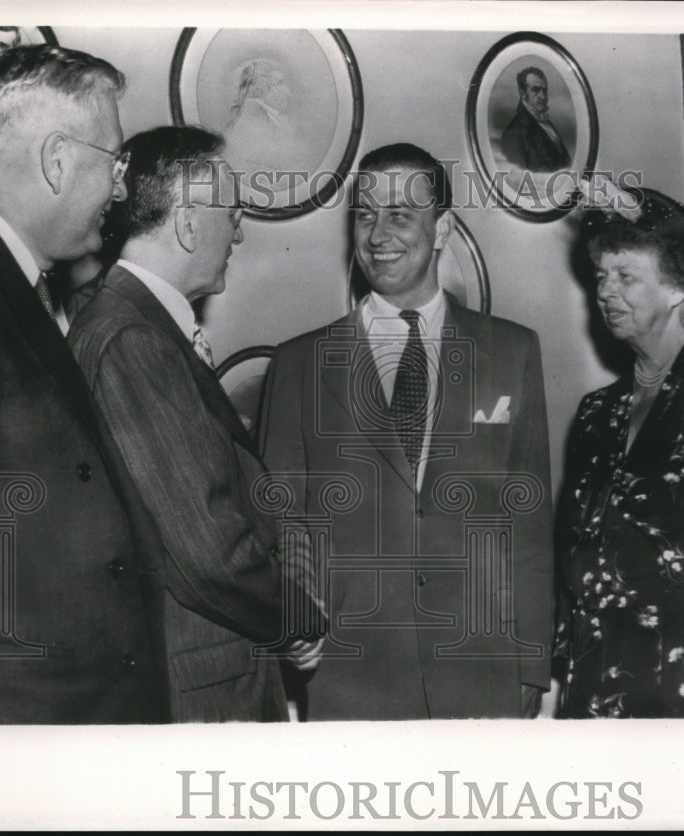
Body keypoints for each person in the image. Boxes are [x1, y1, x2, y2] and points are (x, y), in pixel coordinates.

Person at [260, 142, 554, 720]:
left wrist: (531, 661)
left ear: (442, 228)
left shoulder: (512, 350)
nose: (378, 234)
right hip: (350, 674)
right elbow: (279, 519)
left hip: (482, 668)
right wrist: (295, 614)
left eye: (400, 215)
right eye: (365, 215)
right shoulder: (299, 364)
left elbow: (529, 523)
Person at [0, 45, 170, 723]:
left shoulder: (1, 278)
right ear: (58, 160)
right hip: (12, 732)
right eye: (115, 163)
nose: (121, 190)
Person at [68, 126, 325, 722]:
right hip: (202, 688)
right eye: (232, 212)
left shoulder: (123, 321)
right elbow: (207, 543)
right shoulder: (135, 339)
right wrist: (295, 622)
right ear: (187, 223)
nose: (238, 230)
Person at [555, 186, 684, 719]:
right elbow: (572, 546)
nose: (605, 292)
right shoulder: (597, 411)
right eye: (601, 277)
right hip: (599, 674)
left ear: (676, 289)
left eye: (625, 277)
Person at [499, 67, 572, 172]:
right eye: (536, 90)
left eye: (544, 90)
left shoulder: (545, 123)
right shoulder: (512, 135)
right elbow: (518, 181)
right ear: (523, 93)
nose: (543, 96)